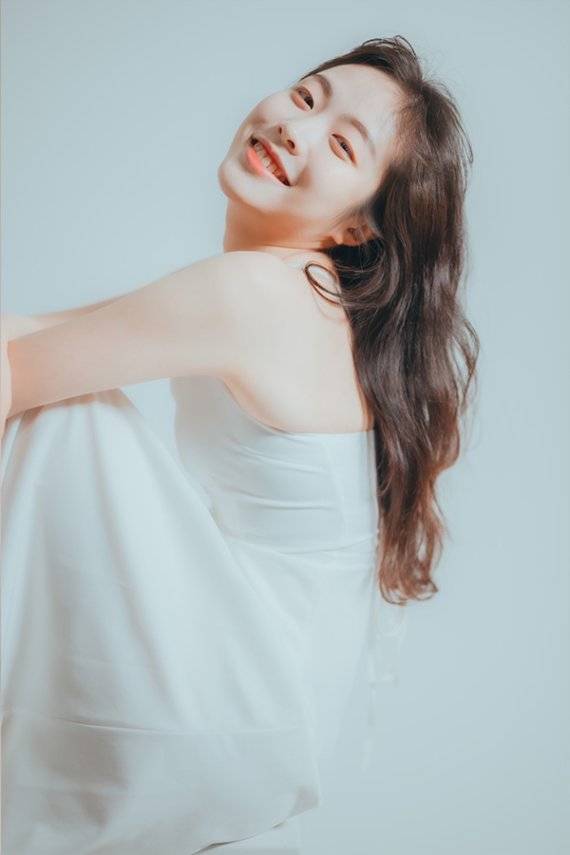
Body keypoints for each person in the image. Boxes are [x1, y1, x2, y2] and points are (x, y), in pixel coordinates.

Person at [0, 35, 479, 854]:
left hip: (226, 714)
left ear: (357, 227)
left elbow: (21, 369)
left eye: (342, 145)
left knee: (64, 411)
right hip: (269, 728)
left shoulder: (259, 292)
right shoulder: (296, 293)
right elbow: (40, 333)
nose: (296, 127)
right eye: (306, 97)